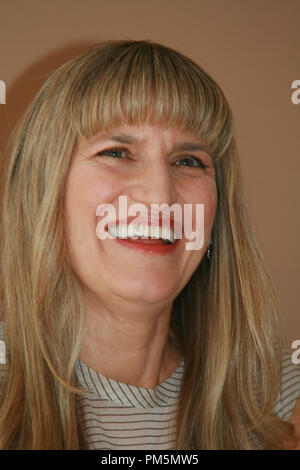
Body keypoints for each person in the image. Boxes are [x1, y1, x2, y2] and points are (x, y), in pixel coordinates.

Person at [0, 39, 299, 450]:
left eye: (188, 161)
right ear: (44, 192)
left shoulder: (279, 393)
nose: (160, 197)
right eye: (118, 152)